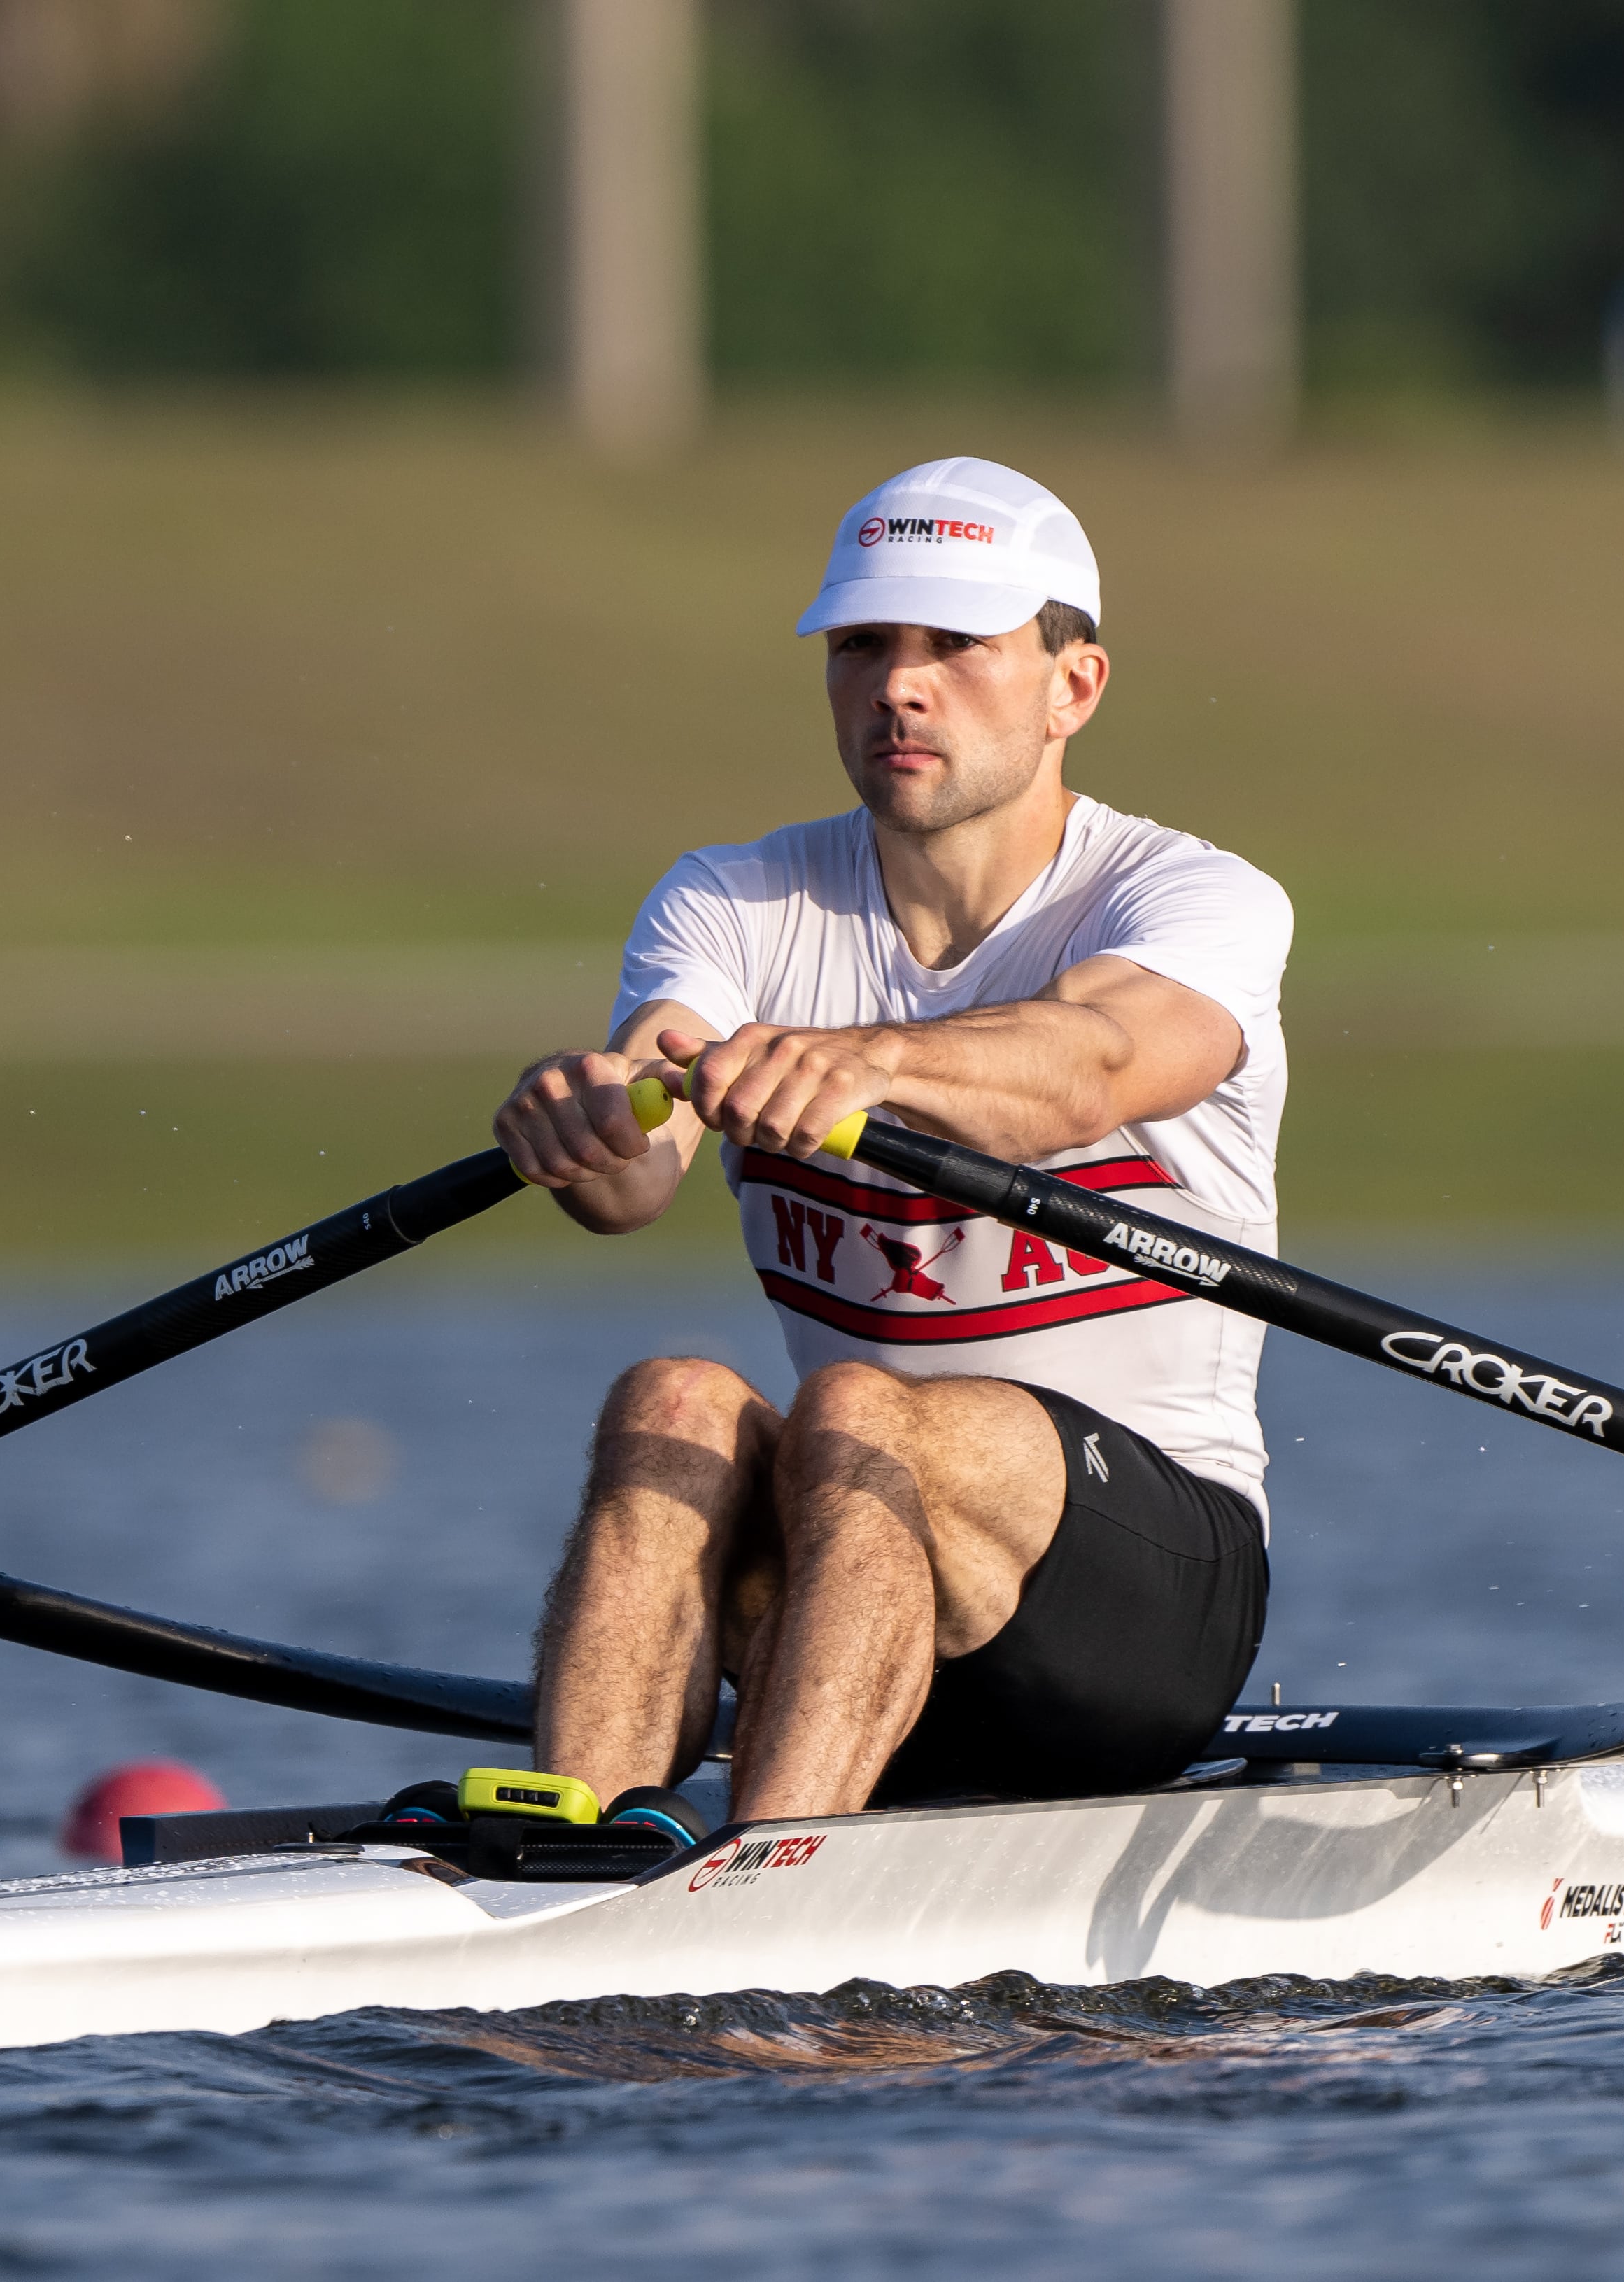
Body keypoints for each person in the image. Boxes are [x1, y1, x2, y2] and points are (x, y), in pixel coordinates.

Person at [486, 458, 1292, 1840]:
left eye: (954, 648)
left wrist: (874, 1061)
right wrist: (586, 1117)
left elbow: (1093, 1066)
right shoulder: (733, 898)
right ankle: (564, 1840)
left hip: (1143, 1602)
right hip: (838, 1598)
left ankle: (763, 1873)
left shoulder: (1189, 898)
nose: (899, 685)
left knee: (858, 1408)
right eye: (862, 645)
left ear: (1071, 688)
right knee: (670, 1395)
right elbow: (635, 1172)